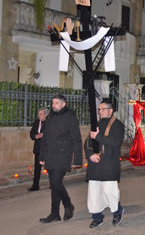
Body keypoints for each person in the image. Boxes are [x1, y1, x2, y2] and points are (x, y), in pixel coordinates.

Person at [39, 94, 82, 223]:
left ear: (63, 104)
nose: (53, 105)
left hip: (63, 154)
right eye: (53, 103)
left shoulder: (70, 117)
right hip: (51, 155)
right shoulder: (50, 117)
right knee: (54, 184)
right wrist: (42, 156)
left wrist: (77, 159)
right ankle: (55, 213)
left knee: (56, 182)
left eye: (56, 103)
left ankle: (68, 205)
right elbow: (44, 139)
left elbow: (76, 139)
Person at [84, 99, 125, 228]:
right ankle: (97, 217)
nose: (100, 112)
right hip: (95, 164)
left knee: (109, 191)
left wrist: (98, 137)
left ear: (110, 110)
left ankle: (117, 211)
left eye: (102, 109)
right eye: (99, 110)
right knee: (94, 192)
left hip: (109, 163)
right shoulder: (96, 125)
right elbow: (87, 142)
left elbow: (116, 141)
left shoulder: (118, 125)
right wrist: (90, 155)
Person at [28, 107, 49, 191]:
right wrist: (35, 136)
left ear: (46, 115)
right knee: (37, 167)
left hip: (47, 148)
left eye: (41, 114)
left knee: (50, 167)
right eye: (38, 114)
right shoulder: (36, 122)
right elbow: (31, 133)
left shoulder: (50, 123)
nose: (39, 116)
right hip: (38, 148)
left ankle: (54, 183)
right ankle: (35, 185)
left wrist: (44, 135)